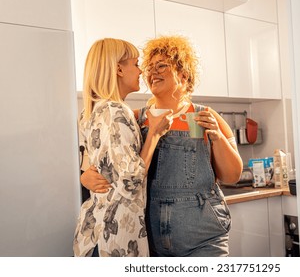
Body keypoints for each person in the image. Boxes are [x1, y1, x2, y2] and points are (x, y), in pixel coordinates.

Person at [81, 35, 243, 257]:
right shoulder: (134, 119)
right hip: (150, 241)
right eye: (148, 67)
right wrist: (85, 177)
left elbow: (232, 175)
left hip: (203, 240)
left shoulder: (205, 116)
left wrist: (217, 137)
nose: (151, 72)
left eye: (162, 66)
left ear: (183, 75)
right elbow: (95, 162)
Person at [73, 38, 172, 257]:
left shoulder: (91, 112)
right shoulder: (116, 111)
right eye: (136, 64)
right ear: (118, 68)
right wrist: (154, 134)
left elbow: (99, 167)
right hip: (115, 239)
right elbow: (131, 182)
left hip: (95, 235)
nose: (140, 71)